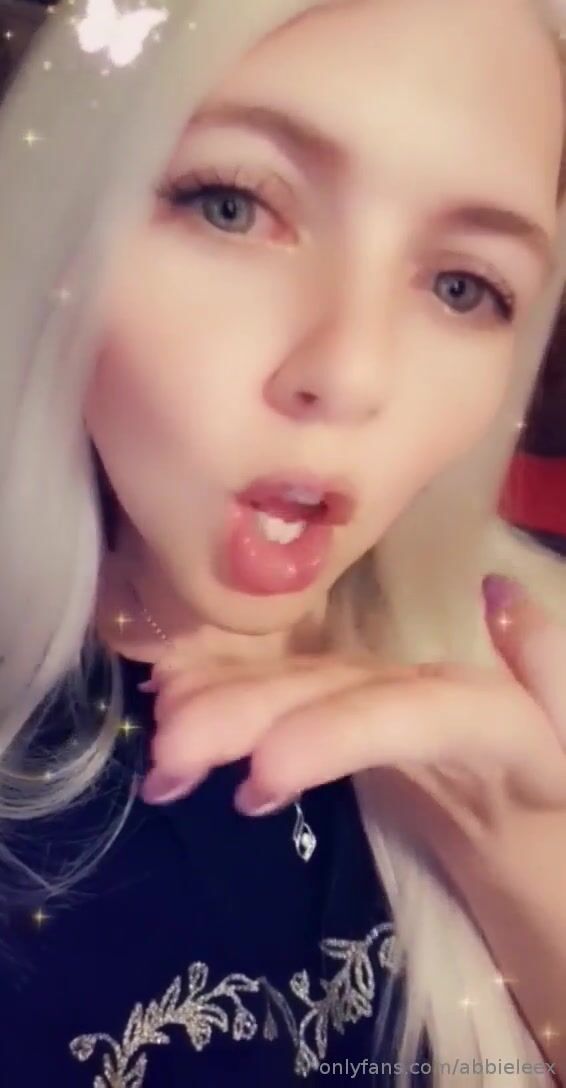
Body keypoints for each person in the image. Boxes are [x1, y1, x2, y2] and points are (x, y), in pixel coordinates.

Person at [0, 0, 566, 1084]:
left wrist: (538, 881)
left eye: (462, 286)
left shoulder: (541, 669)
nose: (351, 374)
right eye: (232, 206)